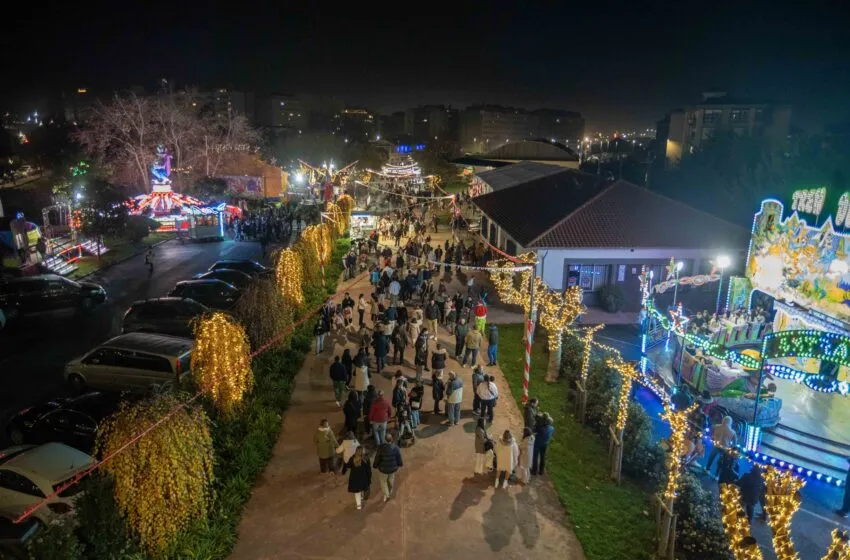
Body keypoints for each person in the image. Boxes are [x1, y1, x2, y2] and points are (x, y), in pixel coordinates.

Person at [373, 434, 404, 502]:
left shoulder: (381, 448)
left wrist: (375, 465)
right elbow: (398, 457)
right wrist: (400, 464)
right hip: (392, 468)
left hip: (383, 469)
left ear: (385, 440)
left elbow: (377, 458)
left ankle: (387, 495)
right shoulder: (396, 448)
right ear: (391, 439)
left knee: (383, 482)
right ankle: (390, 491)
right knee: (391, 479)